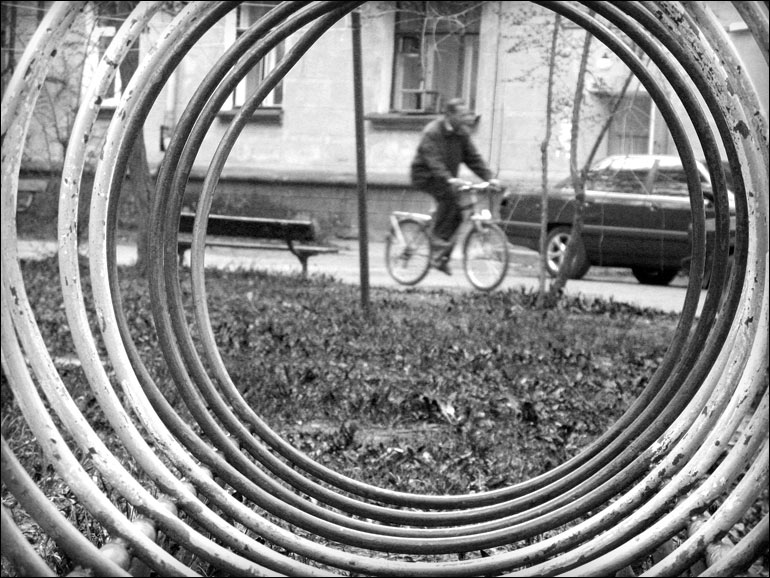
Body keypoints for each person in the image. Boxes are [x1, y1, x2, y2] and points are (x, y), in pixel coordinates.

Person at [410, 98, 499, 275]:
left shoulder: (461, 133)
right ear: (449, 115)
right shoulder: (432, 132)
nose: (466, 118)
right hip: (425, 175)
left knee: (457, 214)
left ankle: (440, 256)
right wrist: (449, 179)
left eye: (467, 114)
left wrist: (490, 178)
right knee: (449, 201)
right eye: (461, 115)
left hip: (446, 178)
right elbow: (433, 161)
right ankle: (437, 246)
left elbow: (473, 158)